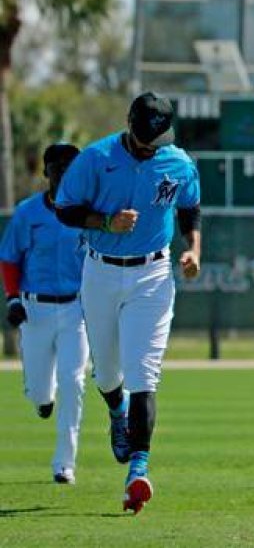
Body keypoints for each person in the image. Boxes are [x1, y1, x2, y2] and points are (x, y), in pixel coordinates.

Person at [55, 92, 202, 513]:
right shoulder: (95, 157)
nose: (148, 147)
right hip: (101, 270)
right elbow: (65, 209)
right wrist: (105, 222)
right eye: (142, 139)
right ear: (129, 125)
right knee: (105, 372)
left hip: (153, 275)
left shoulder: (178, 162)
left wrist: (193, 249)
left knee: (144, 374)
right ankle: (116, 410)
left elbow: (190, 209)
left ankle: (137, 470)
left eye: (155, 140)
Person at [1, 143, 87, 484]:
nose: (64, 171)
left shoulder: (88, 214)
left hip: (75, 308)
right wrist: (12, 299)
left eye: (71, 166)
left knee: (74, 380)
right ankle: (42, 398)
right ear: (46, 171)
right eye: (58, 165)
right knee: (40, 391)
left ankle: (64, 463)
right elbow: (9, 258)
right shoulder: (28, 212)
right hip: (34, 309)